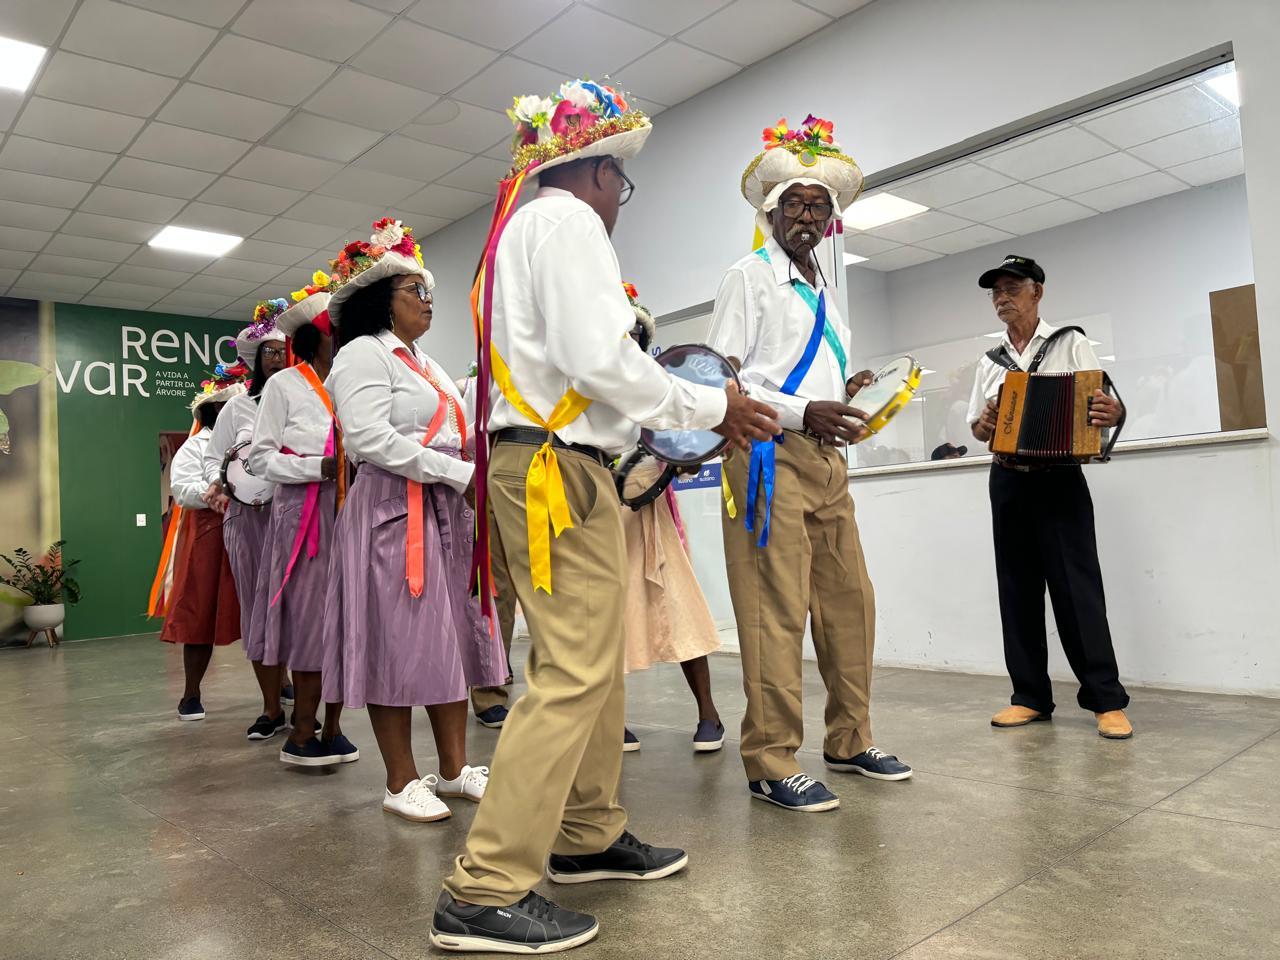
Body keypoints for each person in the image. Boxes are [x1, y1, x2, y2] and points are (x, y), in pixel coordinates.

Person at [432, 79, 780, 955]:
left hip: (556, 464)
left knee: (586, 660)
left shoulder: (525, 229)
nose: (619, 203)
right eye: (619, 186)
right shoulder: (566, 222)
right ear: (592, 173)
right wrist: (707, 406)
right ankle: (483, 889)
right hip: (554, 470)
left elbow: (582, 363)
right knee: (573, 672)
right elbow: (597, 359)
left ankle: (586, 834)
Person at [708, 115, 913, 814]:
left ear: (831, 221)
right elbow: (721, 377)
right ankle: (769, 761)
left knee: (849, 602)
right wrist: (803, 414)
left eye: (818, 206)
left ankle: (850, 740)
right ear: (770, 213)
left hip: (828, 463)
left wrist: (840, 396)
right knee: (774, 612)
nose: (806, 215)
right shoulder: (750, 276)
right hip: (766, 454)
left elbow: (799, 371)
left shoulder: (823, 289)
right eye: (794, 203)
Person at [322, 219, 504, 821]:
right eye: (413, 290)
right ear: (380, 298)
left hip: (443, 514)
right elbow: (369, 438)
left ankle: (452, 771)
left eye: (429, 292)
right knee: (396, 643)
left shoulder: (423, 360)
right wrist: (457, 475)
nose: (427, 301)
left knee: (448, 638)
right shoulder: (360, 353)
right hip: (391, 515)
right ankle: (401, 781)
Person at [967, 254, 1131, 739]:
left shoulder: (1072, 343)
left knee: (1078, 590)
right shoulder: (988, 360)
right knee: (1016, 590)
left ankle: (1106, 700)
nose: (1002, 298)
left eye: (1012, 288)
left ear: (1037, 291)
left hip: (1060, 479)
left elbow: (1105, 404)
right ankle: (1030, 697)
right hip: (1008, 479)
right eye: (996, 291)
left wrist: (1112, 409)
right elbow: (978, 428)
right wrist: (984, 424)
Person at [248, 280, 356, 767]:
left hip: (351, 510)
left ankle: (334, 727)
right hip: (304, 516)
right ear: (318, 335)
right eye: (337, 328)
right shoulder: (283, 384)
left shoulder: (358, 380)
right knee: (313, 618)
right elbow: (259, 458)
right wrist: (317, 468)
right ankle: (301, 730)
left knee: (348, 615)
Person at [618, 282, 724, 754]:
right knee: (609, 619)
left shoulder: (653, 389)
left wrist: (684, 457)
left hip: (655, 515)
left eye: (631, 335)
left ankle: (709, 713)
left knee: (681, 608)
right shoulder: (584, 387)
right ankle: (611, 718)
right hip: (602, 515)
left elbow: (680, 439)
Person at [202, 306, 291, 740]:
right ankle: (271, 708)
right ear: (256, 359)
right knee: (257, 611)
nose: (276, 359)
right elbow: (209, 459)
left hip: (295, 515)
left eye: (283, 351)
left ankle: (302, 700)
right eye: (269, 352)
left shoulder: (306, 399)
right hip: (246, 520)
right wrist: (218, 485)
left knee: (296, 606)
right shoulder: (237, 407)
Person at [156, 375, 245, 720]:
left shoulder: (249, 442)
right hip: (210, 534)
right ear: (213, 412)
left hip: (253, 529)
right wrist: (218, 493)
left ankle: (279, 684)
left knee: (263, 611)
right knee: (200, 611)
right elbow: (182, 491)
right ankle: (191, 693)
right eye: (227, 406)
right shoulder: (195, 447)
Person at [458, 366, 520, 730]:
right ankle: (489, 688)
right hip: (498, 467)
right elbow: (468, 430)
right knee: (496, 588)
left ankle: (568, 691)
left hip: (558, 468)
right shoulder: (489, 371)